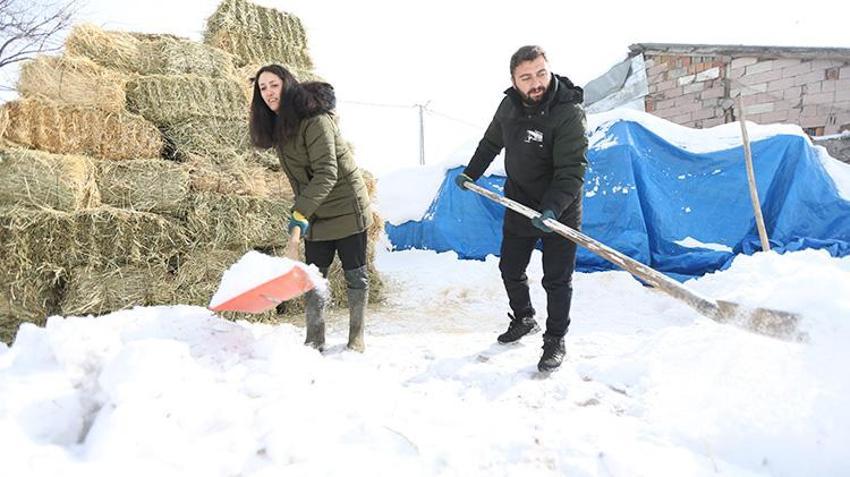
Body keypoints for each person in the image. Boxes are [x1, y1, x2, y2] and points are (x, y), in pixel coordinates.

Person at [456, 46, 588, 372]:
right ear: (514, 81)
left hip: (560, 208)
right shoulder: (509, 107)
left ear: (549, 70)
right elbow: (490, 142)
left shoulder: (568, 112)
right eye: (526, 77)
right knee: (510, 269)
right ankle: (525, 317)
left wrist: (553, 209)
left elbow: (572, 171)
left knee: (556, 280)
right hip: (519, 201)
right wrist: (471, 172)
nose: (536, 83)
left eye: (541, 73)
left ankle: (555, 339)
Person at [249, 64, 372, 353]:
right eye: (262, 88)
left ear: (287, 84)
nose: (268, 92)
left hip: (346, 204)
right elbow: (300, 179)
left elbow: (327, 172)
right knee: (315, 275)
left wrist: (300, 212)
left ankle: (357, 336)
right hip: (317, 209)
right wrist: (302, 212)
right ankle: (314, 337)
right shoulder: (281, 127)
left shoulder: (315, 120)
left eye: (273, 85)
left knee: (356, 274)